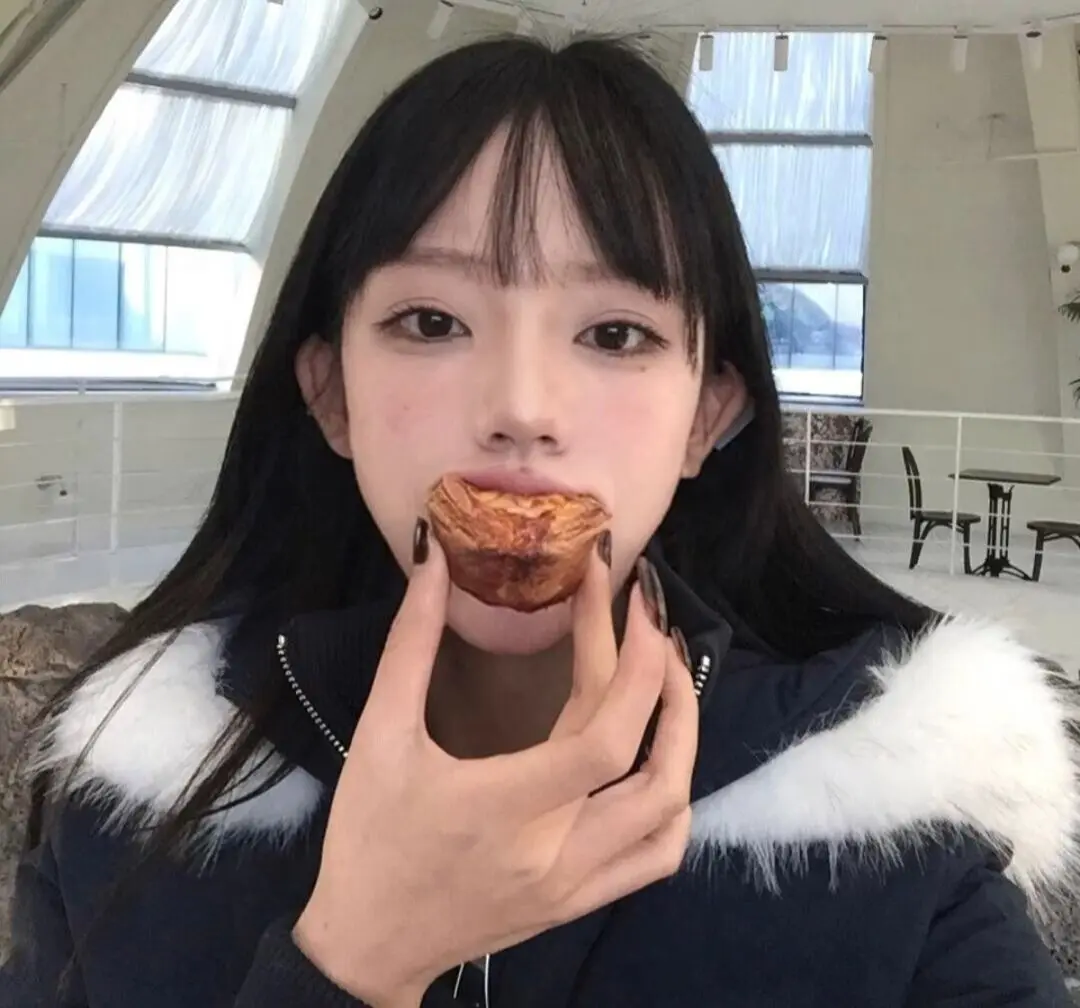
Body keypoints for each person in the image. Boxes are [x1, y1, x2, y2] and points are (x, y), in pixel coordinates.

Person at [2, 32, 1077, 1008]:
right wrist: (350, 963)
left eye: (615, 334)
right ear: (331, 395)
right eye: (433, 320)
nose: (521, 408)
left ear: (708, 415)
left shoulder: (898, 830)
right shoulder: (133, 805)